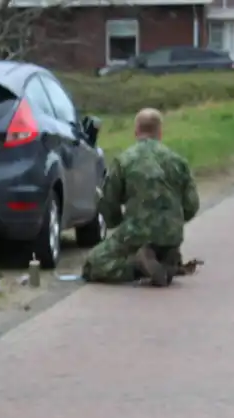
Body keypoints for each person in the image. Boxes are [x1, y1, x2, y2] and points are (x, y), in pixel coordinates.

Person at [81, 108, 199, 288]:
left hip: (137, 231)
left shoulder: (124, 160)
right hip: (172, 233)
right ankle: (166, 260)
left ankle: (138, 266)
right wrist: (174, 221)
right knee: (161, 243)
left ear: (136, 131)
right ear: (160, 133)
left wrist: (117, 222)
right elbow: (192, 205)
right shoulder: (178, 161)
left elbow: (109, 201)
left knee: (93, 265)